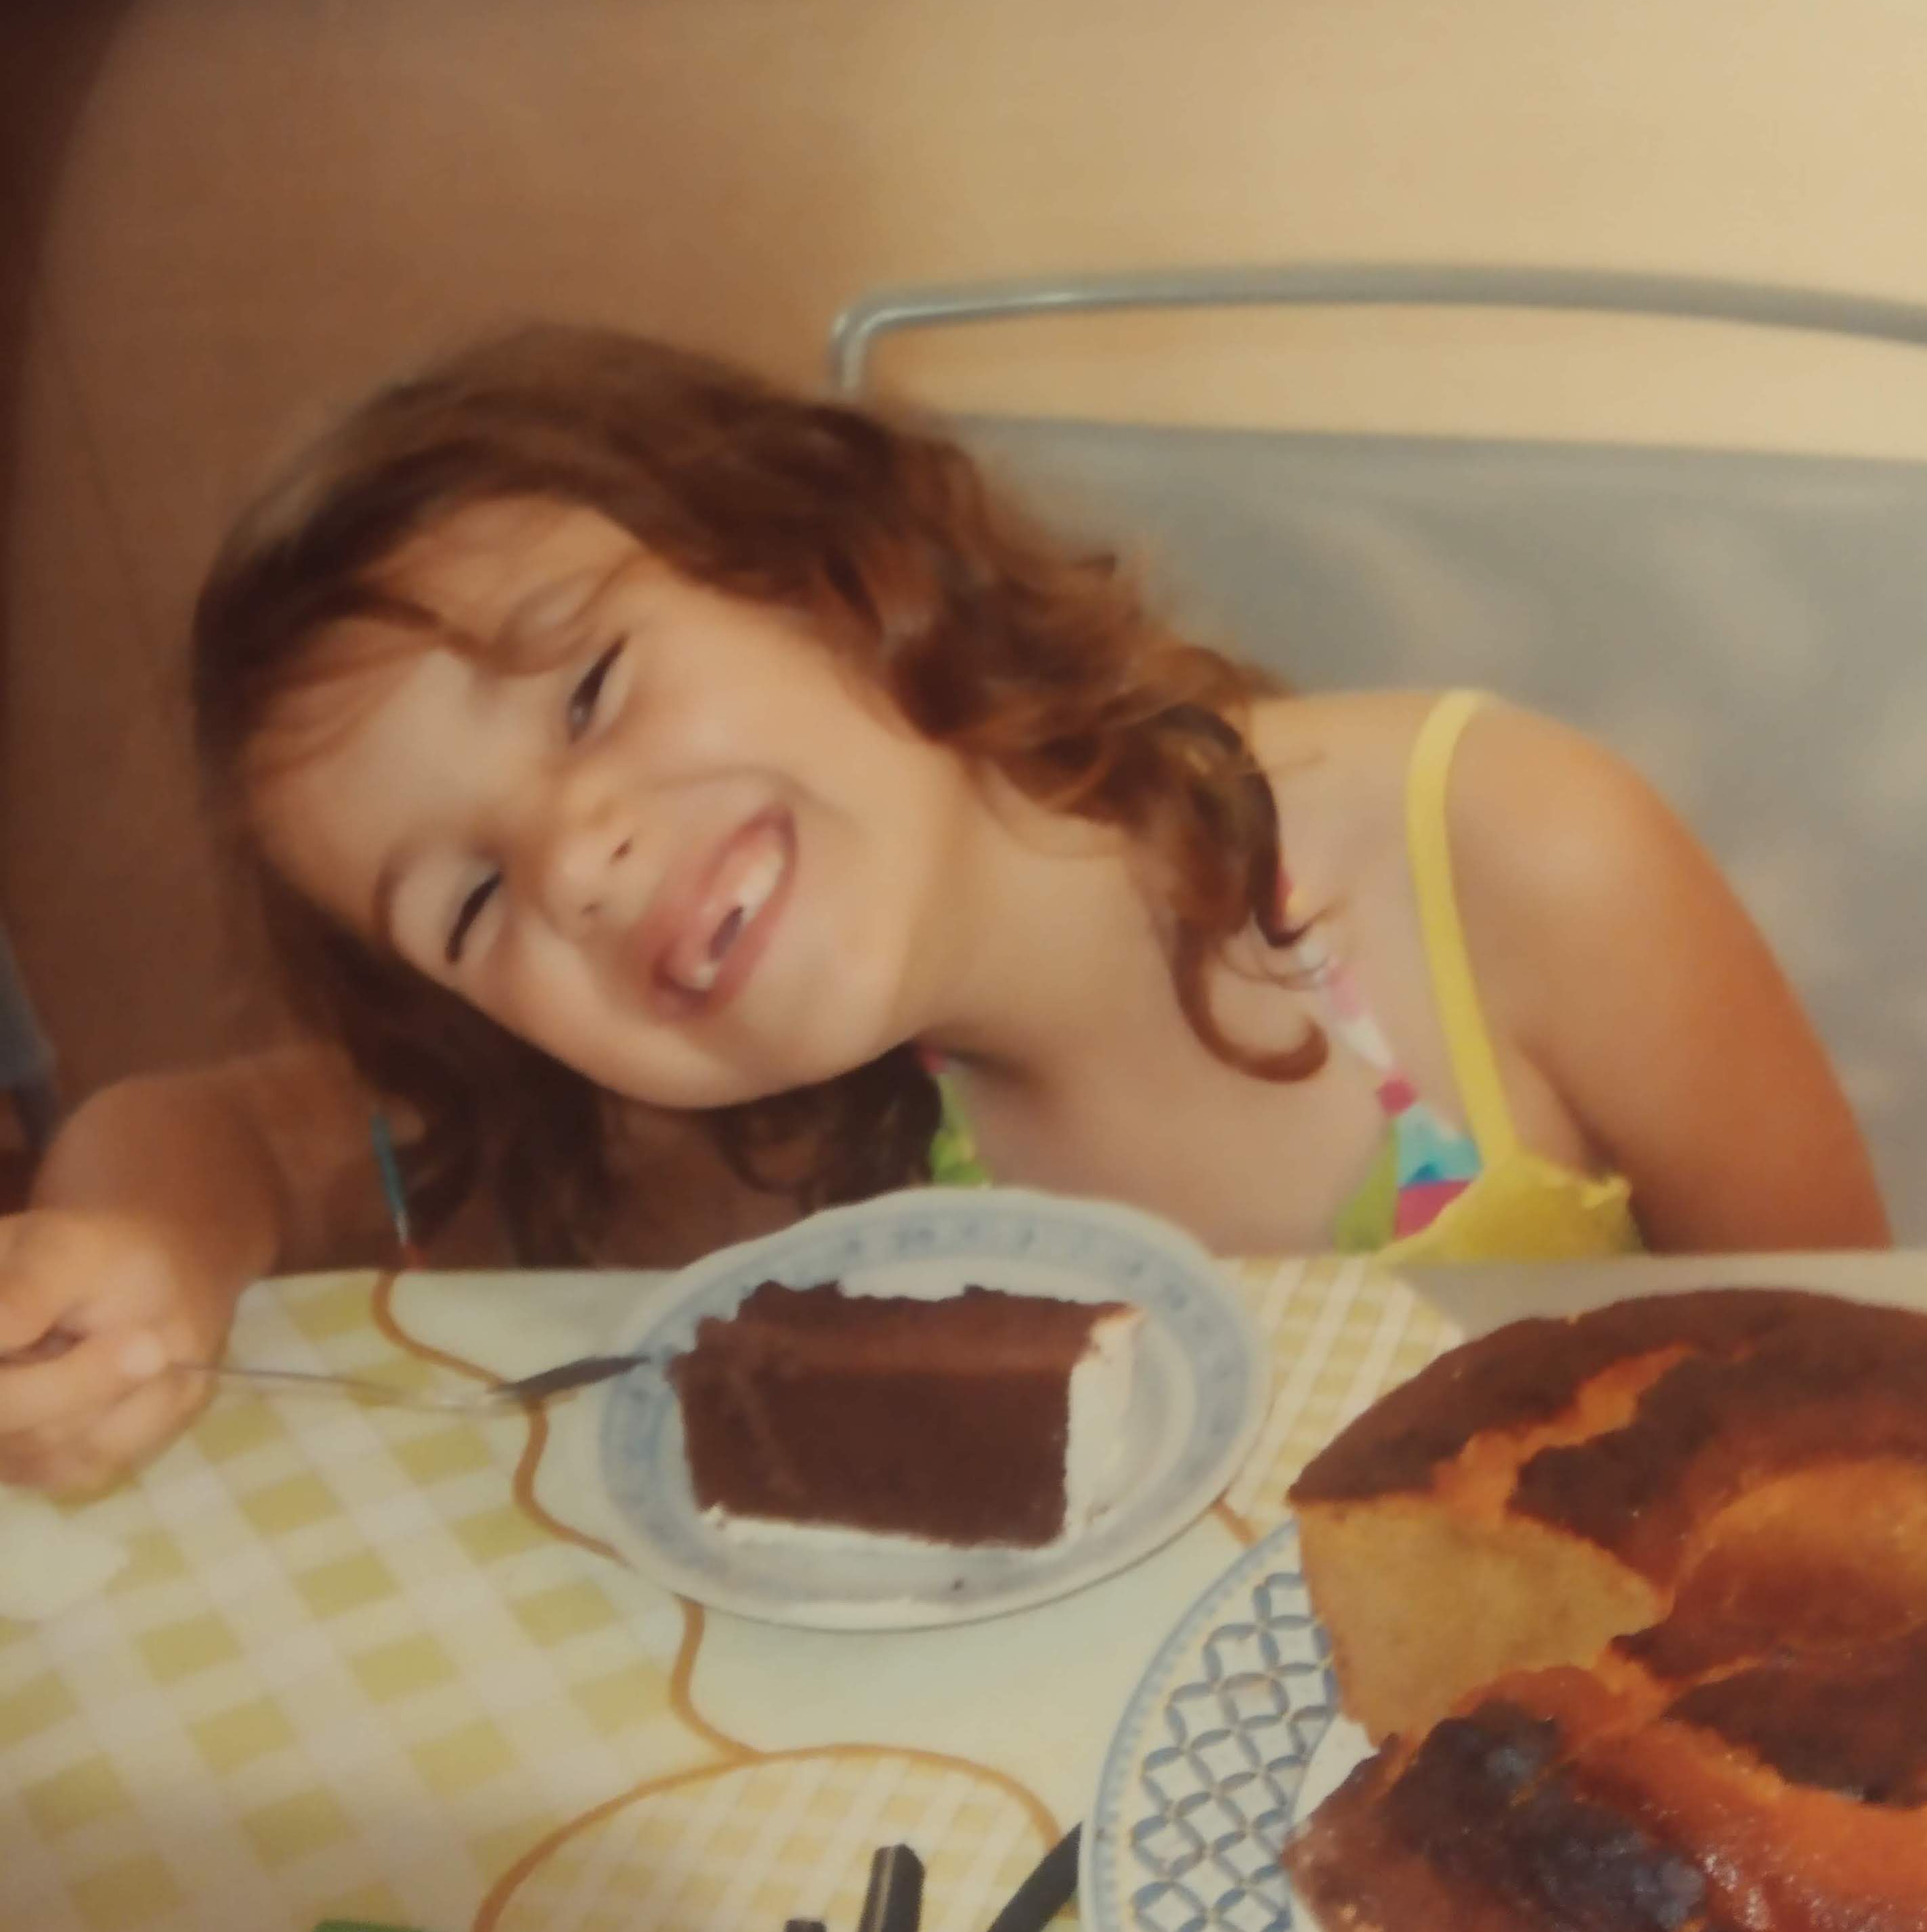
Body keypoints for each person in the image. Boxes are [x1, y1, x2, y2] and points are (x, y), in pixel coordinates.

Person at [0, 326, 1888, 1491]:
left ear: (827, 553)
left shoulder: (1513, 855)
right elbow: (231, 1128)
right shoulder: (721, 1125)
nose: (574, 862)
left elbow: (1876, 1401)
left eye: (589, 690)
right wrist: (126, 1247)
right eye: (473, 900)